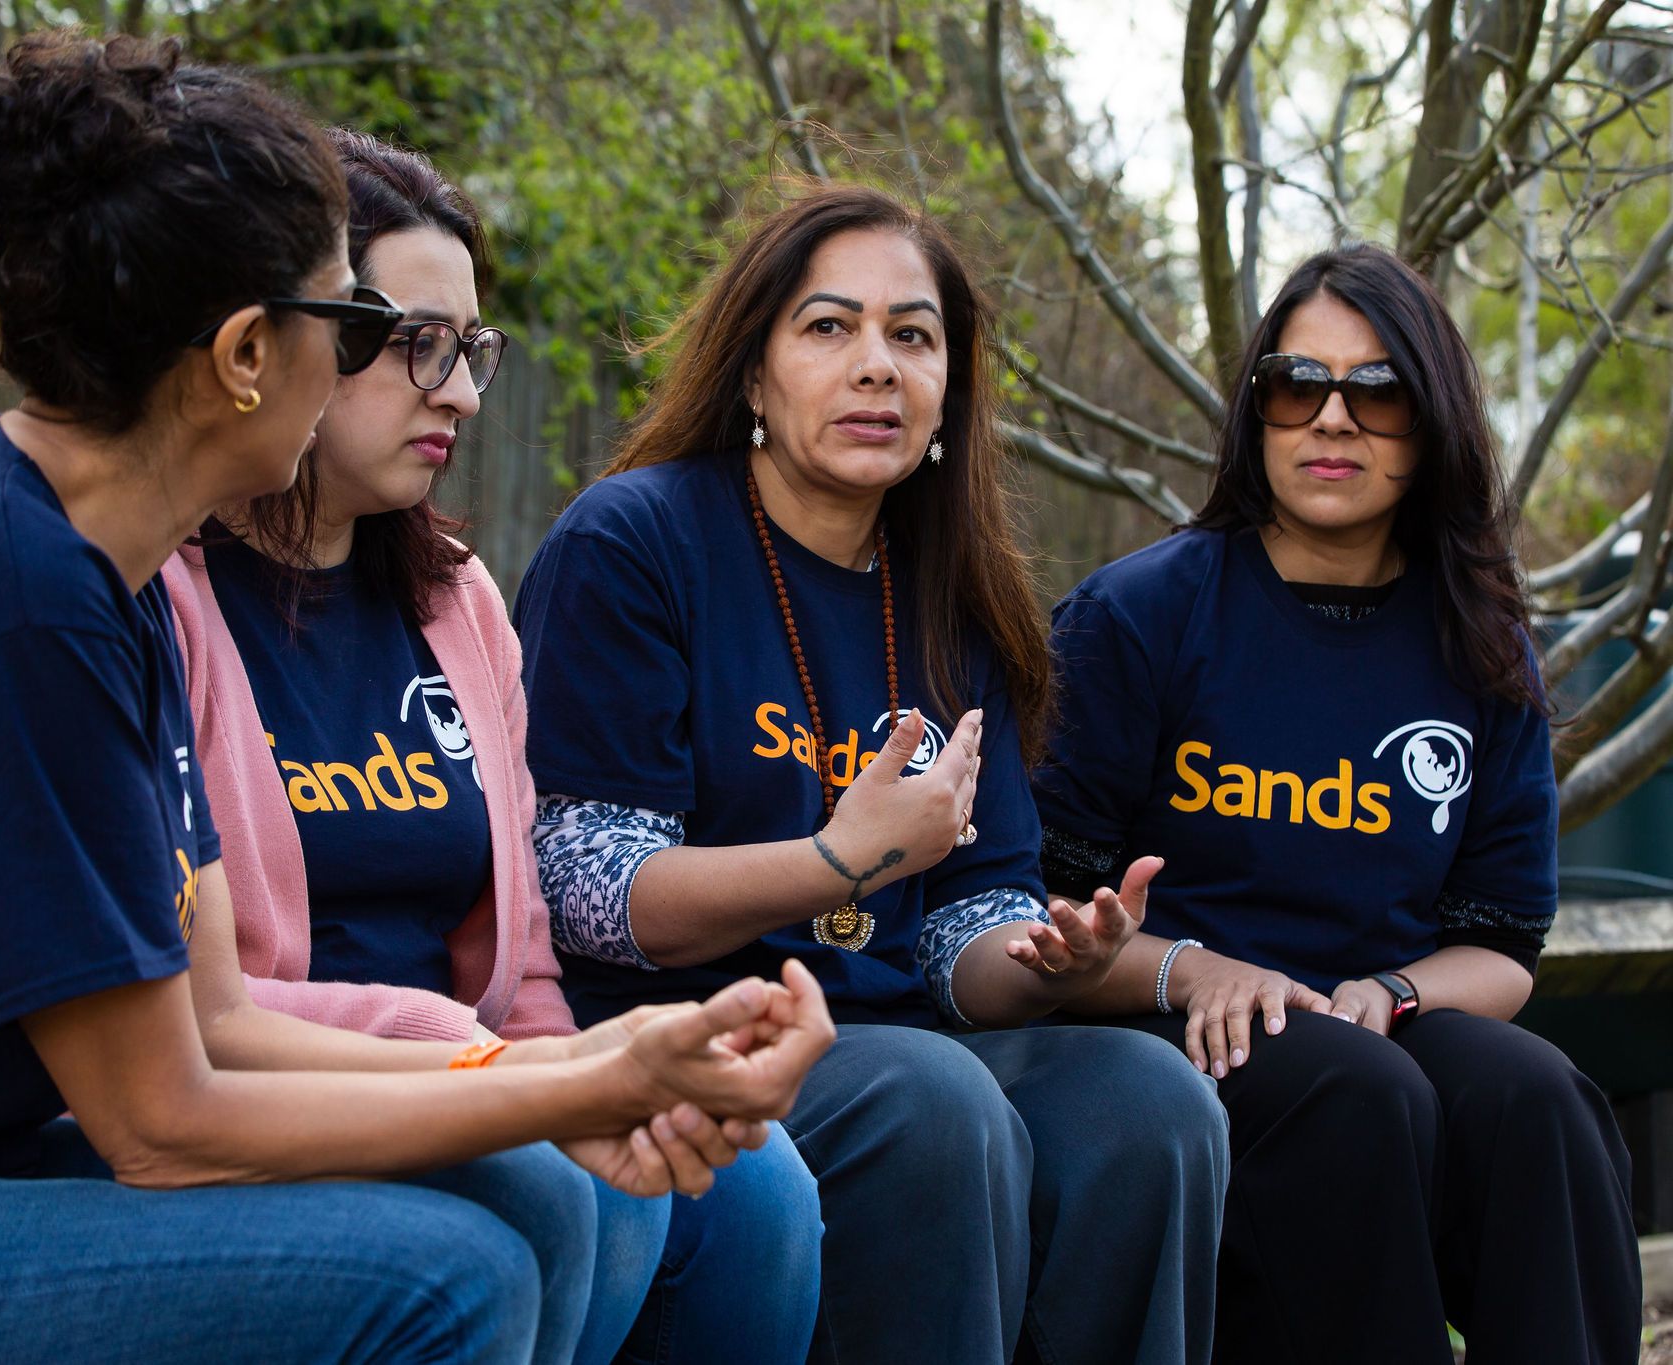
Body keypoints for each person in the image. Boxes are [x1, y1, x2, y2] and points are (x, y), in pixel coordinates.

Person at [0, 33, 833, 1365]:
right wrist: (583, 1082)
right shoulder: (10, 602)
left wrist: (566, 1076)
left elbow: (217, 1018)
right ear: (250, 352)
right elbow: (163, 1119)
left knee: (523, 1192)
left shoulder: (102, 572)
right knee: (446, 1281)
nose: (421, 379)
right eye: (361, 326)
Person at [513, 183, 1228, 1365]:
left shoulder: (953, 597)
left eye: (911, 336)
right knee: (929, 1103)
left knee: (1148, 1106)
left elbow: (965, 929)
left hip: (900, 1030)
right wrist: (837, 860)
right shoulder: (633, 542)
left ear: (950, 387)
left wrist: (1052, 960)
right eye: (828, 327)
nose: (875, 367)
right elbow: (588, 888)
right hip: (685, 1028)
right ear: (751, 373)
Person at [160, 128, 823, 1365]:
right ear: (287, 335)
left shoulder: (458, 604)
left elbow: (518, 968)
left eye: (469, 351)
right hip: (289, 1087)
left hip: (469, 1069)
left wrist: (566, 1065)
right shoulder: (165, 601)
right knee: (566, 1180)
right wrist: (496, 1071)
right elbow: (203, 1013)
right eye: (417, 345)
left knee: (760, 1187)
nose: (459, 392)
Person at [1030, 242, 1642, 1364]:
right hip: (1171, 1024)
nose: (1330, 419)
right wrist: (1188, 967)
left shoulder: (1481, 647)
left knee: (1539, 1102)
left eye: (1378, 392)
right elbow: (1039, 918)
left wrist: (1390, 993)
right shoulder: (1138, 618)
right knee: (1360, 1097)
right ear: (1256, 412)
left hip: (1374, 1020)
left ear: (1433, 423)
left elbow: (1502, 945)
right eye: (1295, 384)